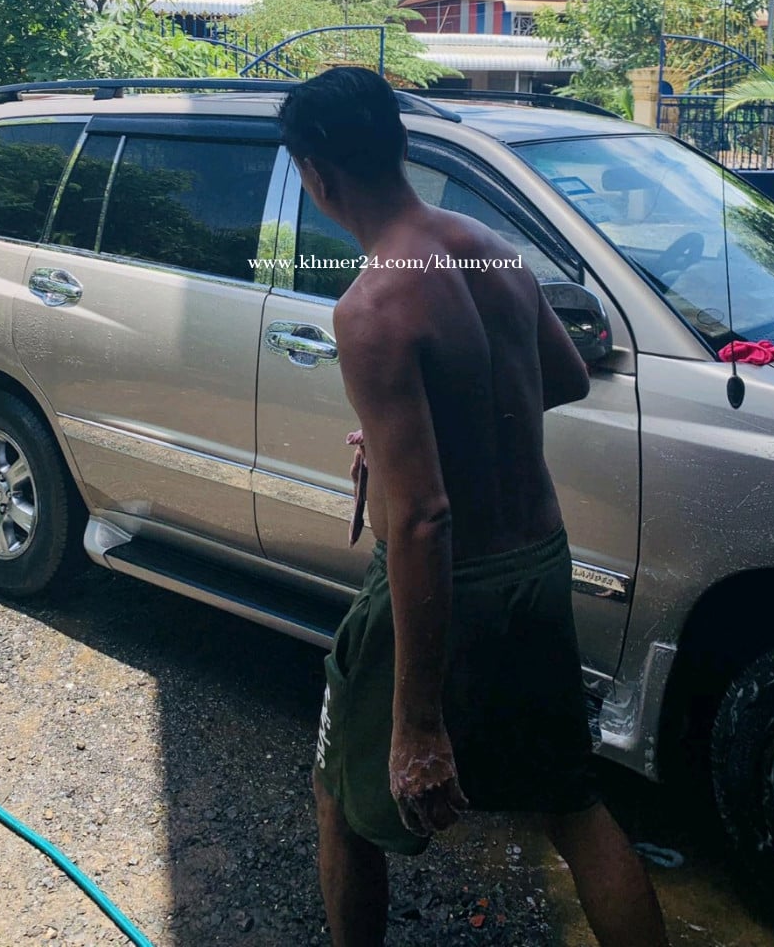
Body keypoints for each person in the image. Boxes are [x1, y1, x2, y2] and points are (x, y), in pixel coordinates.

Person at [277, 68, 669, 947]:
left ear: (316, 174)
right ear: (399, 146)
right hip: (538, 565)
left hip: (441, 587)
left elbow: (424, 520)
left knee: (342, 798)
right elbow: (563, 376)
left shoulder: (371, 308)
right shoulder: (488, 248)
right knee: (571, 803)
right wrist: (418, 433)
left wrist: (418, 723)